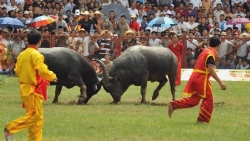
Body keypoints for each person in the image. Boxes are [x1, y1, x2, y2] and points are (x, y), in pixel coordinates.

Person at [4, 30, 58, 141]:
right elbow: (42, 70)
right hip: (33, 89)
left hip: (25, 88)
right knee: (35, 116)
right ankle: (11, 128)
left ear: (27, 40)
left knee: (37, 118)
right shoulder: (36, 55)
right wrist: (52, 76)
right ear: (40, 41)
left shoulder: (22, 55)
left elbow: (17, 71)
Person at [168, 36, 227, 124]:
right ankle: (202, 120)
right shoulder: (210, 54)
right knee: (208, 99)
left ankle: (174, 104)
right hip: (201, 78)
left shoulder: (205, 51)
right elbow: (210, 69)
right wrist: (220, 82)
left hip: (195, 77)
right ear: (219, 45)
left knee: (195, 100)